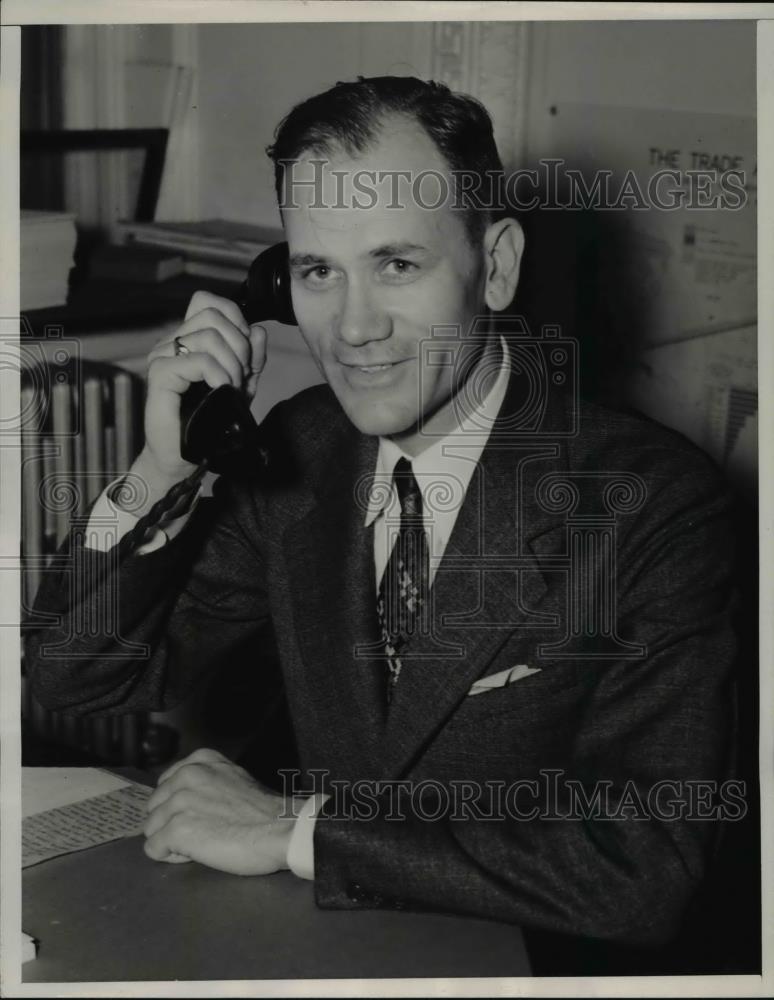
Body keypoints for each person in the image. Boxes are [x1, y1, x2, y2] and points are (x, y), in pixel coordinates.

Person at [26, 77, 738, 968]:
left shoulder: (653, 502)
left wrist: (297, 831)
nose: (353, 328)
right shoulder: (304, 448)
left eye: (397, 264)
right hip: (324, 957)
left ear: (496, 265)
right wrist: (162, 471)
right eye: (319, 271)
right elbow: (76, 679)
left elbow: (647, 867)